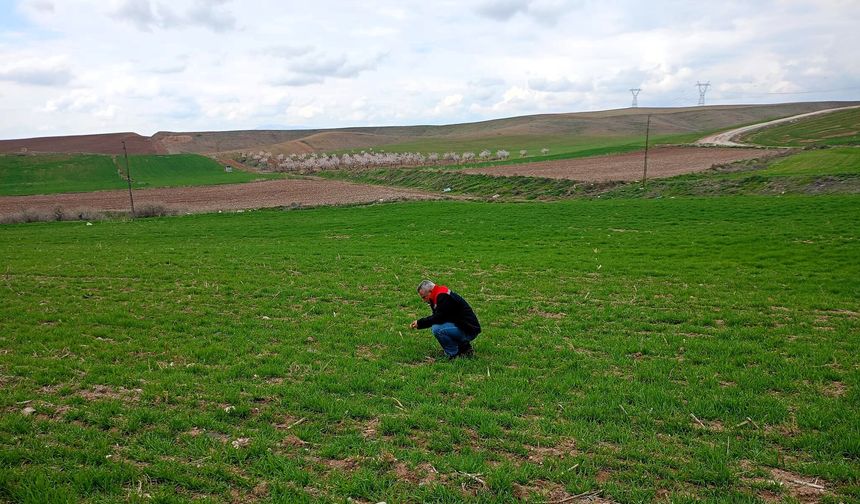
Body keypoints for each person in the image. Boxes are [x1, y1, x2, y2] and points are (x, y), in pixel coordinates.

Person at [409, 279, 481, 360]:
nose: (424, 300)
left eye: (424, 297)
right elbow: (442, 317)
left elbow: (438, 318)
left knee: (437, 329)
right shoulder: (438, 294)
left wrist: (420, 323)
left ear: (430, 291)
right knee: (439, 326)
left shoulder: (443, 296)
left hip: (469, 330)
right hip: (465, 326)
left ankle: (453, 354)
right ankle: (464, 348)